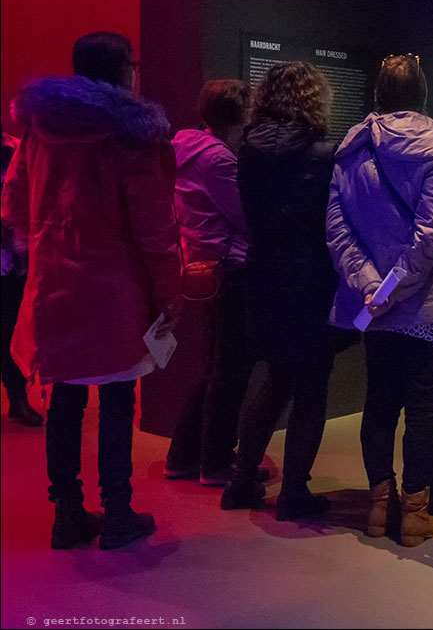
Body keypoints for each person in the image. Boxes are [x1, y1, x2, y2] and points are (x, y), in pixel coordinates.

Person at [1, 31, 181, 548]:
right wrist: (170, 296)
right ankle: (118, 513)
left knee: (64, 402)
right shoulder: (131, 135)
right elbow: (155, 231)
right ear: (123, 70)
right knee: (119, 401)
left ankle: (67, 515)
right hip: (115, 294)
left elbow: (13, 204)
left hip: (55, 287)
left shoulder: (40, 127)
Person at [326, 53, 433, 546]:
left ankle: (377, 510)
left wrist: (370, 284)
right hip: (428, 303)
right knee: (424, 410)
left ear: (377, 96)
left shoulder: (351, 151)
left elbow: (338, 228)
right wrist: (392, 286)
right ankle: (412, 516)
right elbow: (430, 237)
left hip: (376, 307)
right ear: (424, 95)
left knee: (380, 403)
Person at [221, 61, 339, 521]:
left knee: (273, 376)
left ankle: (240, 482)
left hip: (263, 272)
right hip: (310, 276)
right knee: (311, 384)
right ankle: (293, 494)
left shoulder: (246, 149)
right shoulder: (322, 154)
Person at [164, 80, 253, 485]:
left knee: (216, 367)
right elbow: (244, 216)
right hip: (229, 268)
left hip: (202, 265)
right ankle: (215, 461)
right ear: (242, 114)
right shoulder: (219, 159)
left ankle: (183, 455)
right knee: (230, 369)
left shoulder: (184, 148)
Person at [1, 130, 43, 427]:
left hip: (11, 255)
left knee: (10, 328)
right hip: (12, 252)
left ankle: (17, 397)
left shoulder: (15, 147)